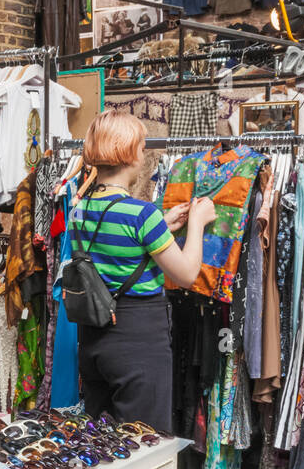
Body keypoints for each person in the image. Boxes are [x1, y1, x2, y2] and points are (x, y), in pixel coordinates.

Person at [71, 110, 215, 431]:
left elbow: (111, 251)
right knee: (142, 447)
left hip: (94, 340)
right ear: (129, 153)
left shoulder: (79, 209)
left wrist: (162, 226)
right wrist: (197, 223)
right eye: (140, 146)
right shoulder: (142, 214)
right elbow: (187, 275)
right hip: (137, 341)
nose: (142, 153)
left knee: (103, 444)